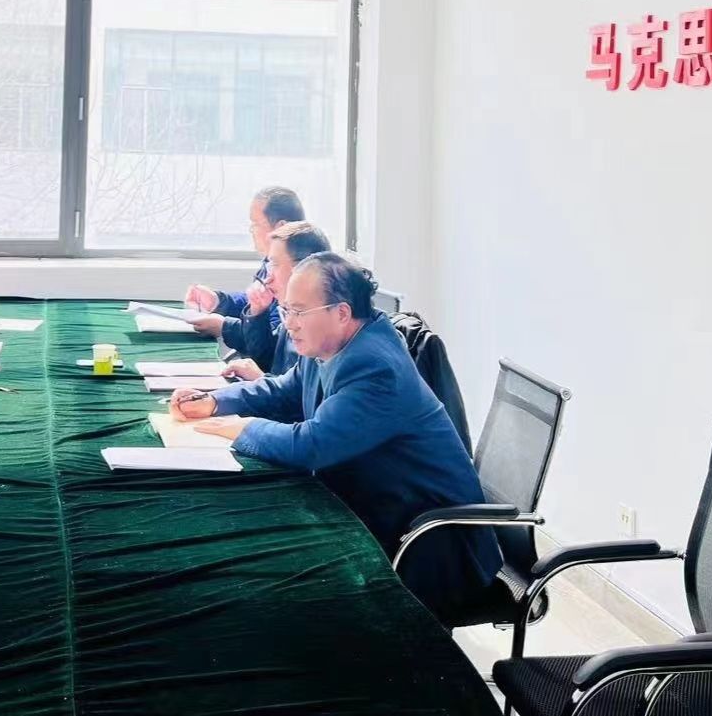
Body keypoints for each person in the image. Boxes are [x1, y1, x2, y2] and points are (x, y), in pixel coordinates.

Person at [170, 252, 503, 623]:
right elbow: (284, 390)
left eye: (298, 312)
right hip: (378, 511)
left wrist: (243, 428)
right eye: (286, 310)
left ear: (341, 313)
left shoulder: (375, 366)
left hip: (429, 545)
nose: (288, 323)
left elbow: (311, 445)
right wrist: (216, 401)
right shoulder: (331, 343)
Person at [185, 186, 304, 353]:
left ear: (280, 227)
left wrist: (225, 328)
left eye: (255, 224)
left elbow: (273, 340)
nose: (251, 231)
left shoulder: (297, 273)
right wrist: (219, 301)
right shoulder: (272, 262)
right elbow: (255, 301)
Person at [217, 220, 330, 382]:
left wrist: (260, 378)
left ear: (303, 268)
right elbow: (268, 360)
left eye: (275, 265)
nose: (268, 279)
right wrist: (258, 314)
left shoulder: (319, 324)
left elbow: (300, 393)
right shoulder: (291, 312)